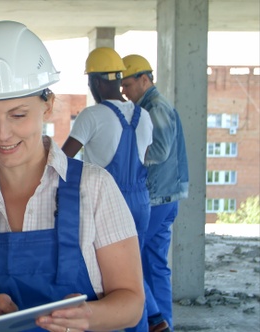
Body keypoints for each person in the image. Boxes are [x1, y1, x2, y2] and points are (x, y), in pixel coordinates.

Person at [0, 21, 144, 332]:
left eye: (18, 115)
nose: (3, 133)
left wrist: (88, 316)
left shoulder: (95, 187)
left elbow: (131, 303)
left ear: (47, 105)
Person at [62, 47, 154, 332]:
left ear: (97, 82)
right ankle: (146, 323)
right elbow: (145, 156)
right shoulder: (144, 116)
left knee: (105, 279)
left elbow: (62, 159)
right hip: (141, 201)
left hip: (109, 202)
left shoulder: (92, 116)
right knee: (131, 277)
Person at [121, 54, 189, 332]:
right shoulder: (151, 106)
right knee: (154, 264)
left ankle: (154, 320)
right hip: (166, 196)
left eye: (126, 84)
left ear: (145, 79)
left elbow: (159, 151)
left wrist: (125, 154)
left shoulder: (155, 108)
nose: (123, 91)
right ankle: (164, 323)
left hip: (158, 197)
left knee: (133, 260)